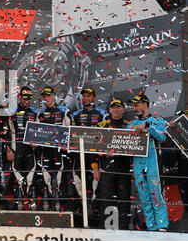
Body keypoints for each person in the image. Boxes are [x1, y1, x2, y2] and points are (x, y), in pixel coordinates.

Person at [127, 94, 169, 231]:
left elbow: (162, 137)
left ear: (145, 104)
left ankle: (162, 225)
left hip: (153, 161)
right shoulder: (131, 123)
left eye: (136, 104)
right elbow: (124, 143)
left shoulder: (157, 120)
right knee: (144, 196)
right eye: (133, 105)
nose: (134, 108)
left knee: (156, 193)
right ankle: (151, 226)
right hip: (137, 161)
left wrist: (147, 126)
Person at [95, 98, 131, 229]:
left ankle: (124, 228)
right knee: (106, 199)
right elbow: (92, 149)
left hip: (124, 168)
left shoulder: (130, 126)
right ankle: (107, 228)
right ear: (109, 110)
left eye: (118, 107)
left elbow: (136, 148)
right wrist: (95, 169)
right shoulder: (101, 126)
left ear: (123, 109)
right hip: (106, 168)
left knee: (124, 199)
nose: (116, 110)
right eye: (113, 107)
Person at [69, 87, 106, 213]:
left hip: (96, 154)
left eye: (89, 96)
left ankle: (95, 210)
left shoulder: (102, 114)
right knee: (78, 180)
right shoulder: (76, 115)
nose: (86, 98)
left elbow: (107, 134)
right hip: (80, 153)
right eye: (84, 96)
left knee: (97, 180)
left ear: (94, 98)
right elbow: (70, 135)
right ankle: (81, 208)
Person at [35, 86, 71, 211]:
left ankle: (61, 207)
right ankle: (50, 205)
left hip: (60, 150)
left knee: (61, 178)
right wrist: (34, 142)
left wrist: (67, 144)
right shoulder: (40, 113)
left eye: (49, 96)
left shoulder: (64, 110)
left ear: (54, 96)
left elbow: (70, 129)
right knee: (46, 178)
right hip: (45, 151)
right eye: (44, 96)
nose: (47, 98)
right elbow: (35, 133)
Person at [5, 87, 38, 208]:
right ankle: (17, 200)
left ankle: (31, 201)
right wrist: (8, 149)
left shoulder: (34, 113)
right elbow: (6, 132)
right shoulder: (12, 112)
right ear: (20, 97)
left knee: (30, 174)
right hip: (16, 146)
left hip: (30, 148)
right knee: (17, 176)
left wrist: (36, 144)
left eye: (29, 98)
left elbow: (40, 132)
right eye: (25, 98)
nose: (27, 101)